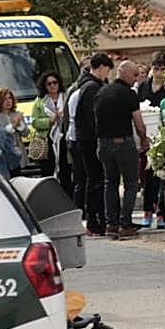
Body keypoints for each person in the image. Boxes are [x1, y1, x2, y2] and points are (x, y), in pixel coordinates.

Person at [95, 60, 149, 239]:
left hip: (103, 144)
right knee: (131, 183)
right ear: (123, 73)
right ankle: (125, 223)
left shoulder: (101, 92)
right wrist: (143, 140)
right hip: (122, 142)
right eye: (134, 75)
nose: (136, 79)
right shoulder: (129, 94)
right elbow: (139, 123)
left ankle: (112, 223)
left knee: (110, 182)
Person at [70, 52, 113, 237]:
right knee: (94, 179)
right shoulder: (92, 88)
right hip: (90, 140)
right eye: (107, 70)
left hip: (85, 139)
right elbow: (91, 118)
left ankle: (95, 219)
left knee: (93, 179)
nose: (107, 75)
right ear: (101, 67)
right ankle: (94, 221)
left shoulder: (89, 85)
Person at [137, 51, 165, 228]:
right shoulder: (143, 87)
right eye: (156, 69)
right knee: (148, 177)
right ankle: (148, 211)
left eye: (162, 69)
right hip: (147, 137)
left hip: (163, 135)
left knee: (161, 178)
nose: (158, 73)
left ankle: (161, 213)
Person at [31, 71, 70, 190]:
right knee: (47, 171)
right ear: (44, 86)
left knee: (66, 170)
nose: (52, 85)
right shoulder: (39, 101)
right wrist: (50, 121)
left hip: (64, 139)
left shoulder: (66, 97)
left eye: (55, 82)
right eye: (49, 84)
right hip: (47, 141)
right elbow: (35, 122)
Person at [0, 88, 29, 170]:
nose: (8, 101)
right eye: (4, 99)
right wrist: (13, 125)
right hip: (5, 157)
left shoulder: (17, 114)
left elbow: (26, 133)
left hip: (19, 156)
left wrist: (20, 125)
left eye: (10, 98)